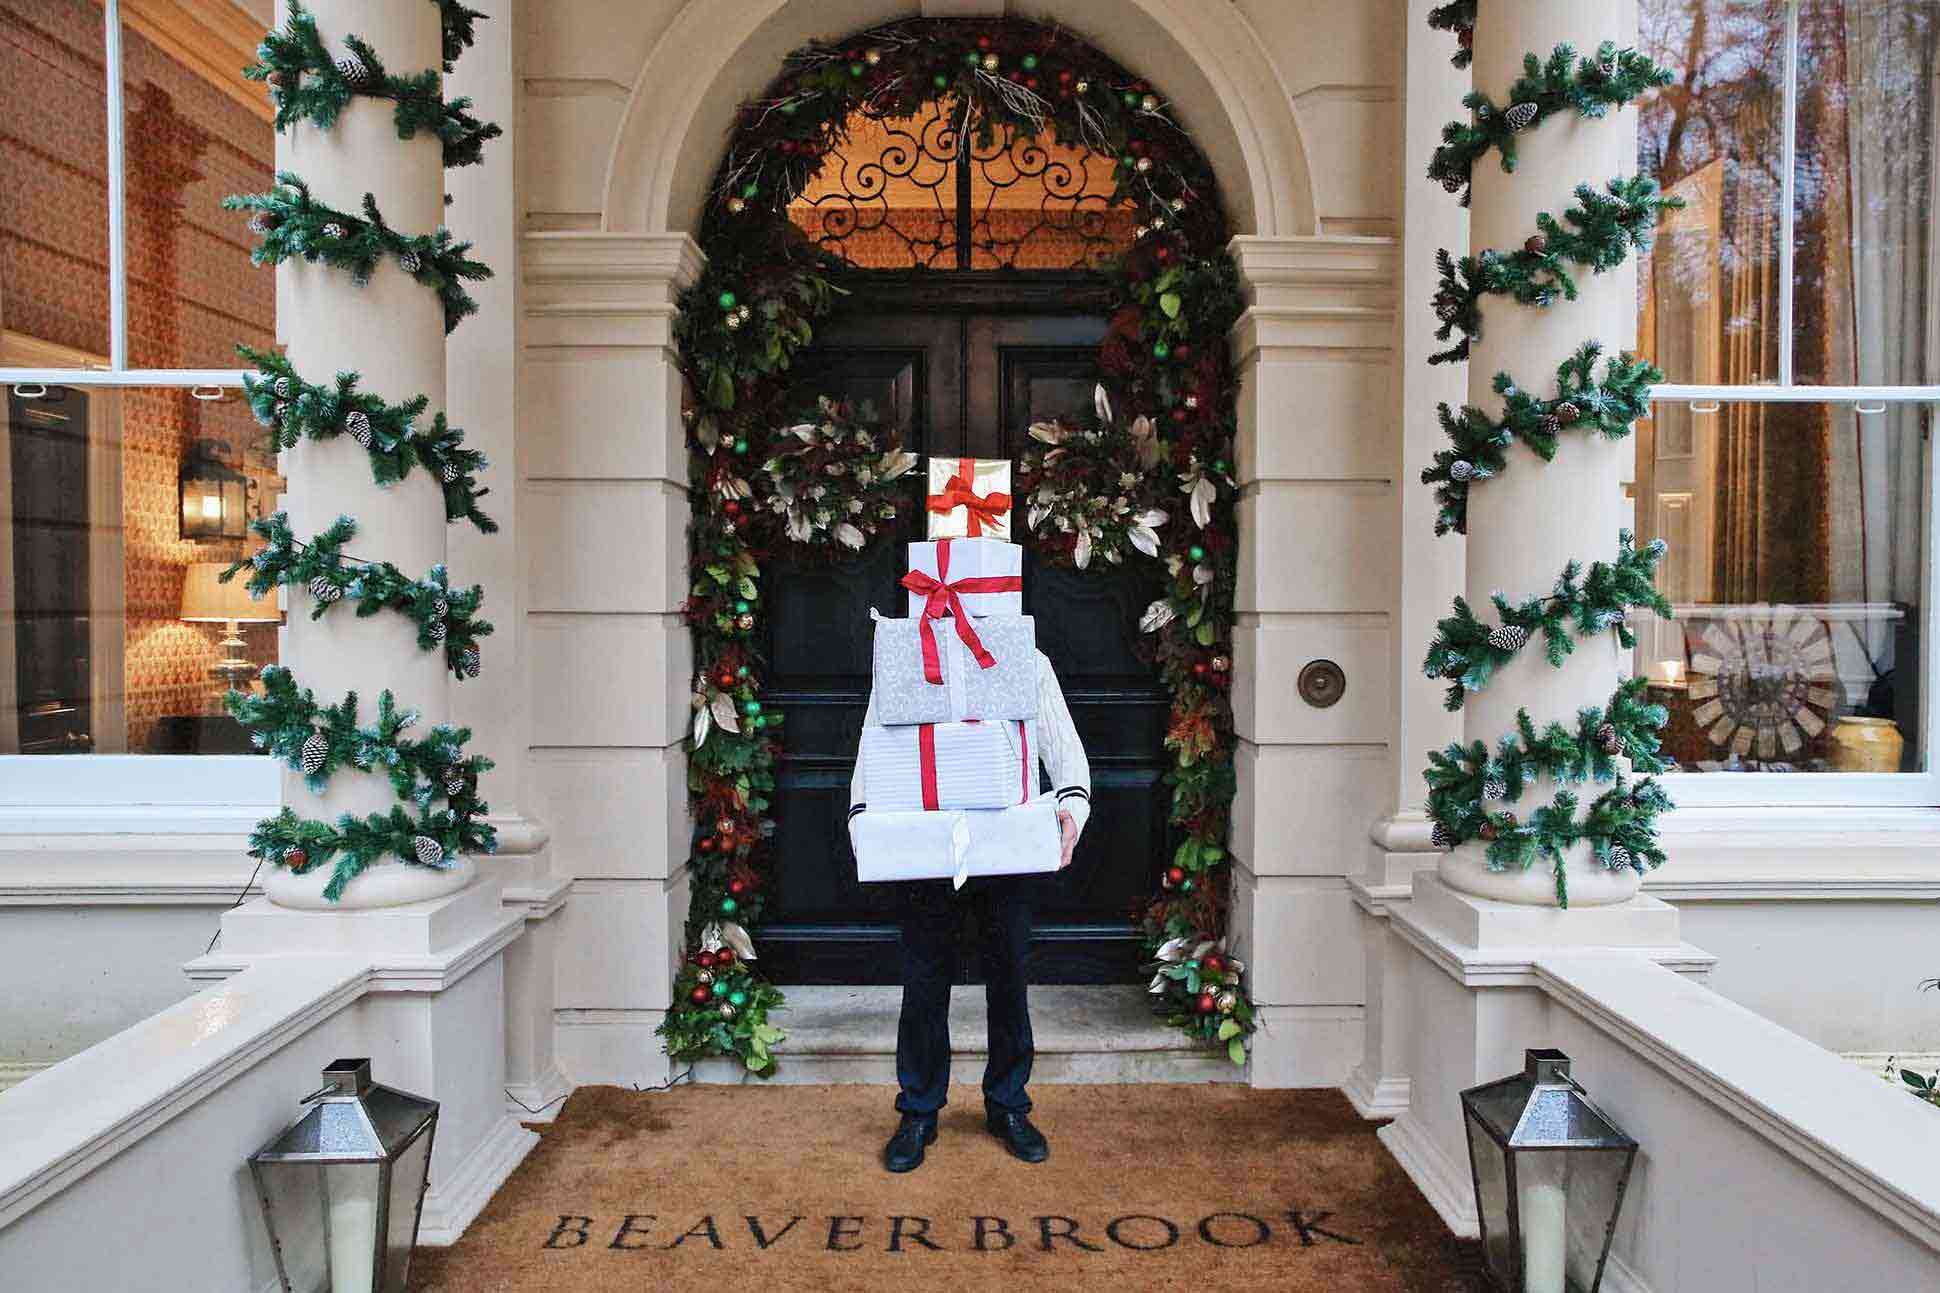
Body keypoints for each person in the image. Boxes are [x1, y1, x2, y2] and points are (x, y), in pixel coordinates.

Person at [849, 647, 1090, 1172]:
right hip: (925, 846)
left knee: (1009, 975)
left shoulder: (1025, 657)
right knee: (924, 979)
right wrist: (864, 824)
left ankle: (1007, 1104)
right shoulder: (905, 658)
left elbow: (1060, 741)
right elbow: (874, 746)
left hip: (1009, 845)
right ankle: (918, 1109)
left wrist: (1072, 807)